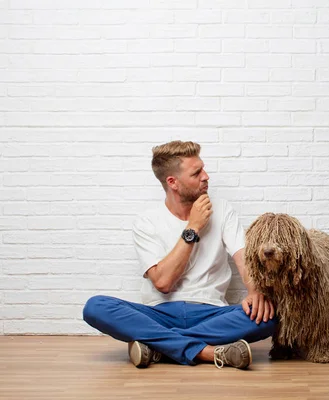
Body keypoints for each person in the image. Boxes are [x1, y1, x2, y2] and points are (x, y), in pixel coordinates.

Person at [83, 140, 276, 369]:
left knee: (273, 313)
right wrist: (192, 228)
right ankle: (206, 352)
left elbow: (243, 258)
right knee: (95, 307)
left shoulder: (223, 210)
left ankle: (158, 346)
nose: (206, 176)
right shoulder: (147, 221)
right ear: (173, 182)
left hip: (212, 313)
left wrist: (255, 290)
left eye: (203, 169)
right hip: (159, 313)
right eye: (197, 173)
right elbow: (163, 282)